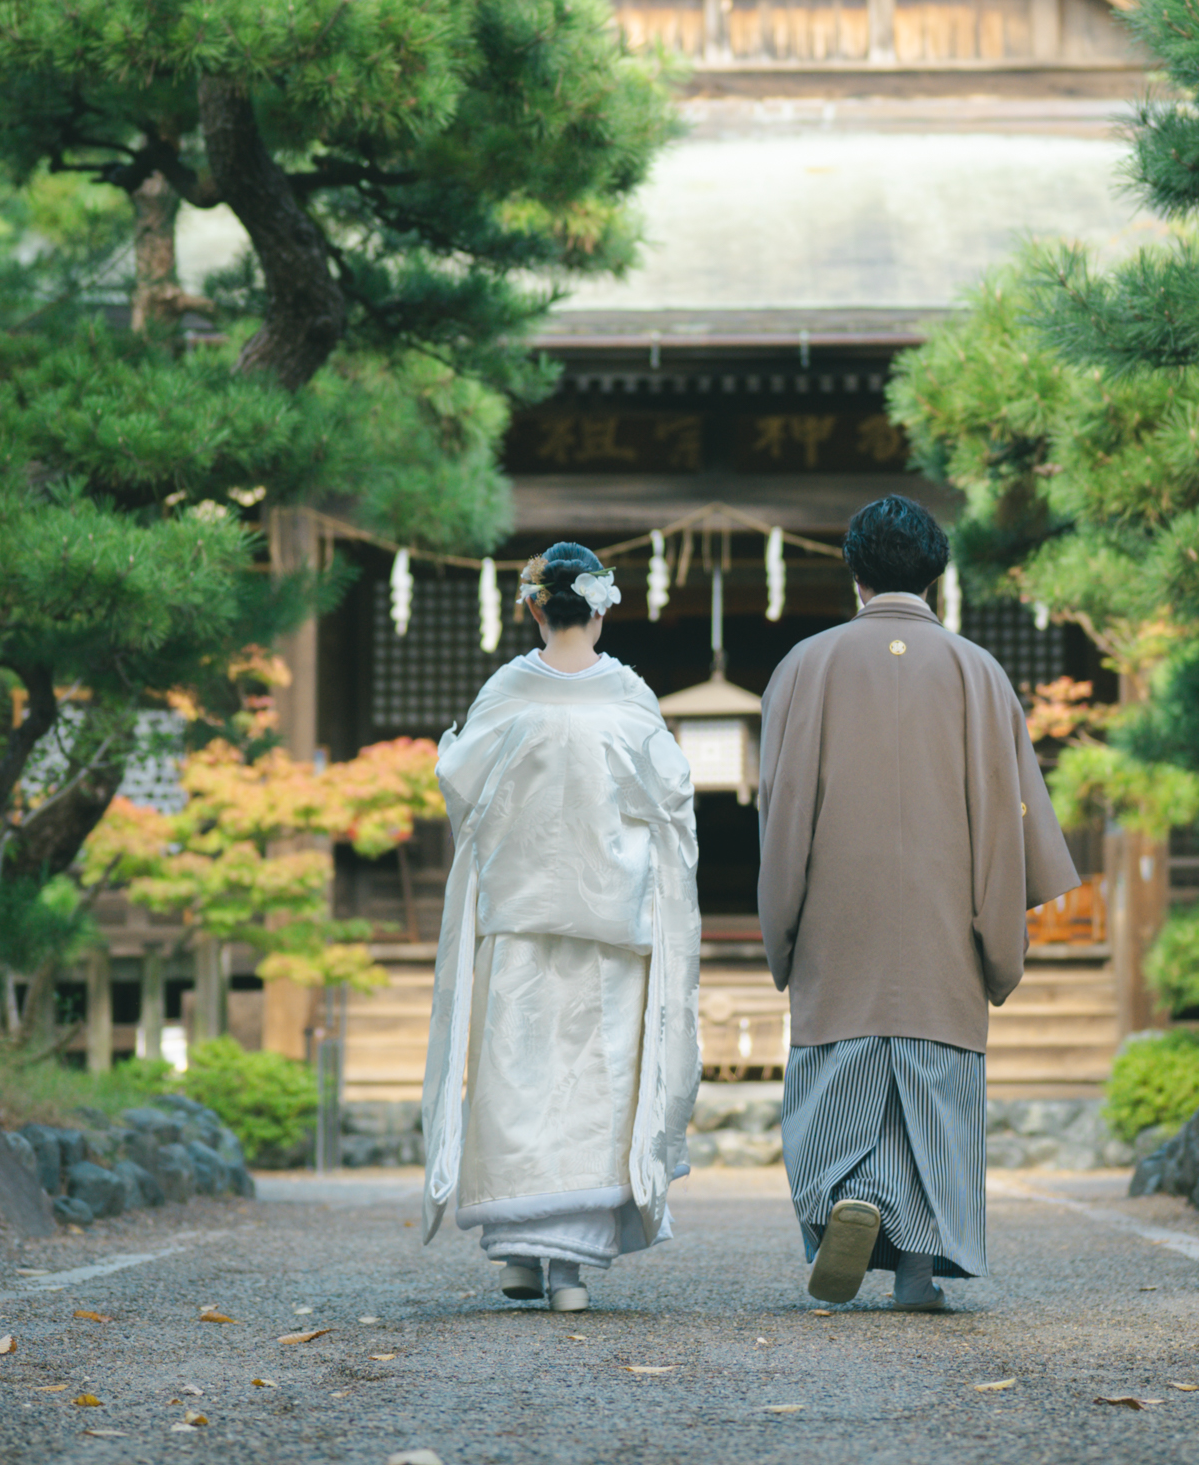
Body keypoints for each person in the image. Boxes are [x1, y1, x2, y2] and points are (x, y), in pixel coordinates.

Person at [757, 495, 1083, 1311]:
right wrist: (999, 937)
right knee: (934, 1102)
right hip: (944, 933)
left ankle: (854, 1193)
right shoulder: (979, 670)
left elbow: (782, 810)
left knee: (841, 1086)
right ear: (936, 572)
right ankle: (915, 1271)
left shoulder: (806, 664)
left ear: (855, 571)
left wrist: (782, 926)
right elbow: (1010, 822)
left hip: (840, 930)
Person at [417, 543, 703, 1312]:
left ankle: (517, 1252)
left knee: (517, 1080)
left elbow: (462, 791)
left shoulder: (507, 692)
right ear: (601, 608)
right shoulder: (629, 696)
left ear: (535, 606)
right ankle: (565, 1271)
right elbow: (672, 802)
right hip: (610, 926)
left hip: (519, 921)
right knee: (590, 1089)